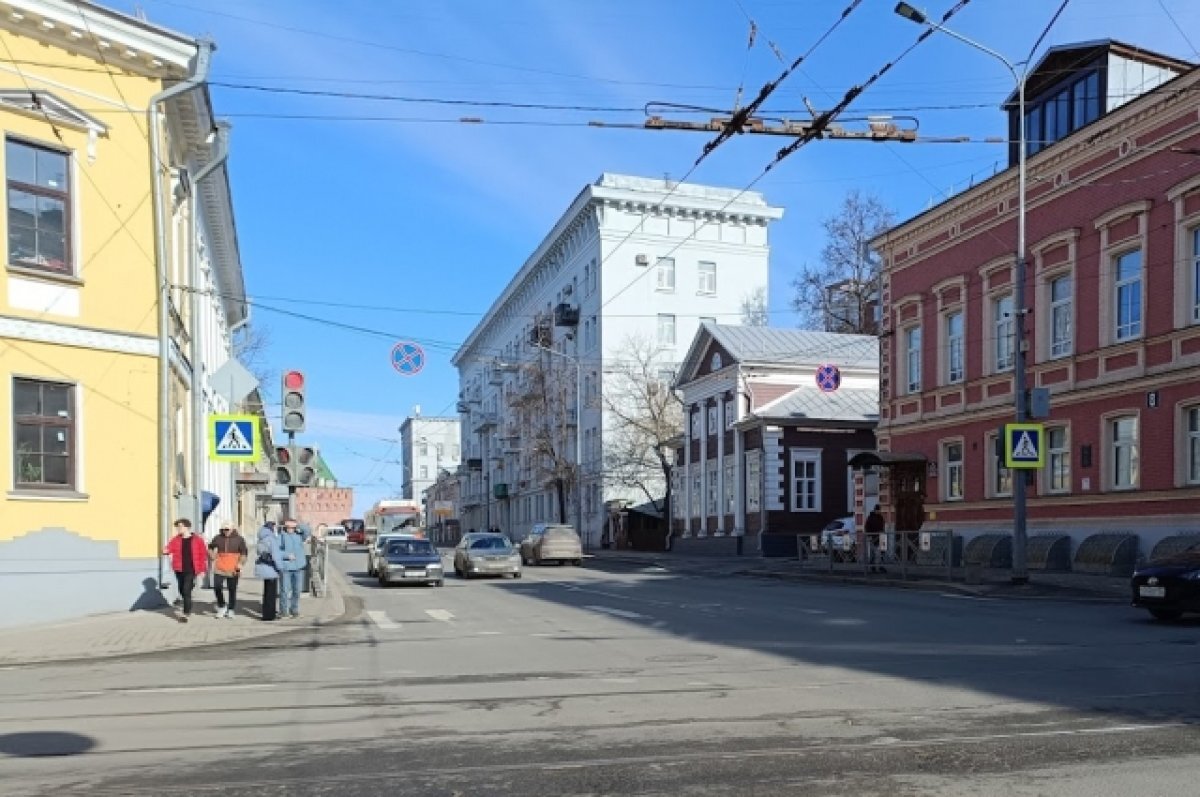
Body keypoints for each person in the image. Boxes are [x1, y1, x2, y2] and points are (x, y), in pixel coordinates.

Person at [164, 518, 208, 623]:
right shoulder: (176, 539)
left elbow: (203, 555)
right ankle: (188, 596)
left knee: (186, 590)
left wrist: (202, 570)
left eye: (180, 526)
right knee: (181, 589)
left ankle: (186, 613)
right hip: (179, 569)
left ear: (187, 527)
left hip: (191, 568)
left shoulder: (197, 540)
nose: (178, 529)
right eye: (177, 527)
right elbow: (169, 548)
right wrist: (165, 550)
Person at [209, 524, 248, 619]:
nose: (225, 531)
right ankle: (222, 606)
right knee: (217, 587)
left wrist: (240, 564)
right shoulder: (217, 538)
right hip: (220, 567)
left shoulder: (239, 539)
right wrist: (212, 555)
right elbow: (210, 547)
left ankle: (231, 609)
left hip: (233, 567)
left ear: (232, 529)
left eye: (227, 529)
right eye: (224, 529)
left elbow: (244, 552)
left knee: (232, 589)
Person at [276, 518, 308, 619]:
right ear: (285, 527)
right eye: (288, 527)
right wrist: (286, 555)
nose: (290, 529)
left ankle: (294, 610)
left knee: (297, 590)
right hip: (286, 568)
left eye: (292, 527)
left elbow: (308, 531)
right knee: (284, 590)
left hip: (298, 567)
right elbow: (276, 552)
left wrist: (298, 525)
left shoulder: (299, 536)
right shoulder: (281, 537)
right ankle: (283, 611)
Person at [255, 521, 282, 621]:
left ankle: (266, 614)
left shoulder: (261, 538)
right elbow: (276, 555)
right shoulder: (271, 539)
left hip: (263, 568)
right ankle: (270, 616)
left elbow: (258, 552)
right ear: (271, 528)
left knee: (266, 593)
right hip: (271, 569)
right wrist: (280, 567)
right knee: (271, 594)